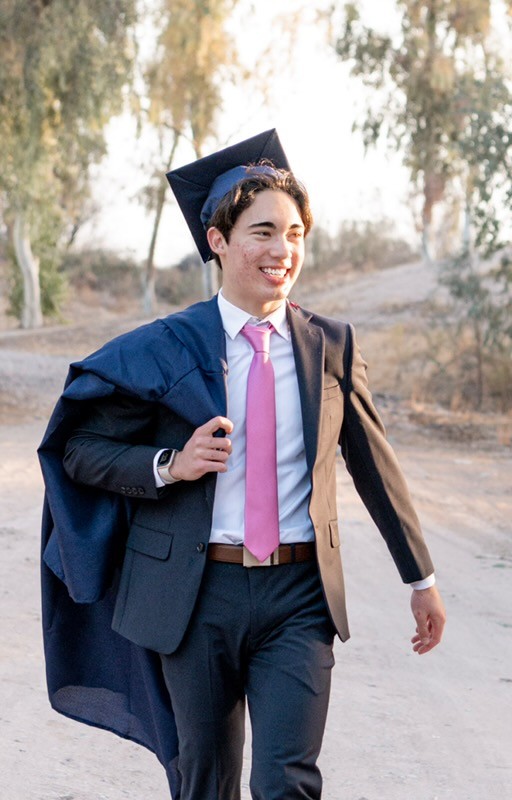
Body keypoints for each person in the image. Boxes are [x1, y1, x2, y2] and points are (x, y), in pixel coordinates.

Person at [39, 129, 446, 800]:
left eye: (294, 234)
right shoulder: (165, 349)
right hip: (196, 595)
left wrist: (420, 577)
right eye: (262, 232)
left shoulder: (331, 346)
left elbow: (374, 463)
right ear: (218, 241)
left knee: (287, 781)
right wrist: (171, 463)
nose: (282, 251)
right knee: (206, 782)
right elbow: (81, 450)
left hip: (298, 594)